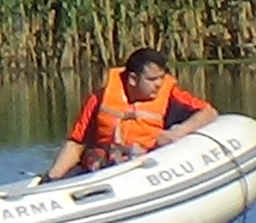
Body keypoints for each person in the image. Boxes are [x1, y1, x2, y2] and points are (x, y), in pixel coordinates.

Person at [42, 48, 218, 182]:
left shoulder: (171, 96)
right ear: (133, 79)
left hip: (149, 168)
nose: (159, 84)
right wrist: (52, 178)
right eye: (152, 79)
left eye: (161, 78)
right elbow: (76, 143)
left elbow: (208, 112)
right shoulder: (98, 100)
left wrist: (177, 132)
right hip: (105, 169)